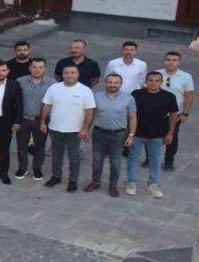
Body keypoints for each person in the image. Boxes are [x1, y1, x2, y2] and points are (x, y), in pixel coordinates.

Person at [40, 64, 96, 192]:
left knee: (74, 156)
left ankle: (73, 180)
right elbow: (46, 105)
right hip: (55, 128)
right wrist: (42, 122)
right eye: (66, 72)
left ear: (78, 74)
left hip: (75, 131)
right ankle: (56, 176)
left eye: (72, 72)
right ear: (62, 74)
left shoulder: (85, 90)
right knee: (56, 154)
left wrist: (85, 129)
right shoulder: (54, 88)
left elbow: (89, 111)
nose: (69, 75)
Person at [127, 72, 178, 198]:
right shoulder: (136, 94)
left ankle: (153, 184)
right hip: (138, 133)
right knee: (133, 158)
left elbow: (173, 116)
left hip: (157, 135)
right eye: (150, 80)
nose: (153, 83)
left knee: (155, 160)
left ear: (161, 82)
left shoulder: (169, 96)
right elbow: (130, 113)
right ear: (145, 81)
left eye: (157, 80)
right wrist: (129, 133)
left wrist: (170, 133)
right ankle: (131, 182)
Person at [85, 74, 136, 197]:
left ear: (120, 84)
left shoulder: (128, 98)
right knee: (97, 160)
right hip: (99, 133)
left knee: (115, 162)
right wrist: (86, 129)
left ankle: (113, 185)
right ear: (105, 83)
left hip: (118, 135)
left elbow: (132, 117)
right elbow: (91, 114)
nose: (112, 85)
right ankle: (95, 182)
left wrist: (131, 135)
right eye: (110, 82)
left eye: (116, 82)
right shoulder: (97, 96)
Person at [15, 58, 55, 181]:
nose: (37, 70)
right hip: (23, 119)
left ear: (45, 69)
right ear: (29, 68)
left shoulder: (52, 84)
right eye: (34, 67)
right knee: (21, 145)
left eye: (40, 67)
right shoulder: (20, 81)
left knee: (40, 145)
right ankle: (22, 167)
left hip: (41, 120)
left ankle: (37, 168)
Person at [156, 51, 194, 171]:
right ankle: (150, 159)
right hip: (155, 113)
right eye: (168, 59)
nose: (171, 62)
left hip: (175, 114)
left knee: (172, 138)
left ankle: (169, 161)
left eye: (174, 60)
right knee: (151, 136)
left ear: (179, 62)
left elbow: (189, 96)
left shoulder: (186, 77)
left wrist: (185, 113)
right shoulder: (156, 74)